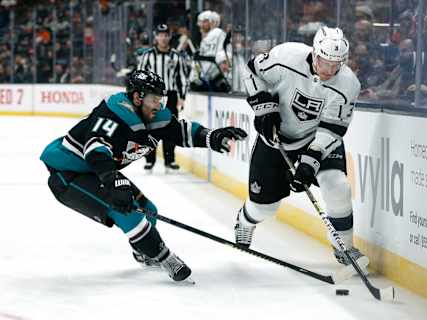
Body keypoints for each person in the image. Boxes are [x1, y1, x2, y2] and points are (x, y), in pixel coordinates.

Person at [40, 70, 247, 282]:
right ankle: (165, 258)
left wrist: (213, 136)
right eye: (154, 99)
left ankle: (143, 252)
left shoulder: (153, 114)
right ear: (138, 97)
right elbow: (95, 150)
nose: (159, 104)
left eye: (160, 99)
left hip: (97, 172)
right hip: (68, 174)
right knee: (126, 213)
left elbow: (180, 131)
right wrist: (113, 181)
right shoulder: (112, 114)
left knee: (149, 212)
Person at [235, 26, 369, 269]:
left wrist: (309, 163)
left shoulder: (348, 84)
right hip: (275, 137)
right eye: (324, 61)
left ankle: (345, 248)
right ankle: (245, 221)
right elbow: (251, 69)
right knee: (264, 208)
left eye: (335, 64)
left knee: (337, 186)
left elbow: (332, 129)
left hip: (313, 137)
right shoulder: (287, 56)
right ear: (314, 53)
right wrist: (263, 106)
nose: (329, 70)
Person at [137, 24, 188, 172]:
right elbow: (140, 74)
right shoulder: (147, 55)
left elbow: (182, 78)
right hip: (151, 96)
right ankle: (149, 160)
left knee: (170, 127)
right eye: (160, 35)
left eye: (166, 35)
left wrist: (182, 96)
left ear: (169, 37)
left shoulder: (176, 56)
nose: (163, 38)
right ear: (156, 37)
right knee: (150, 128)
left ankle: (169, 160)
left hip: (170, 95)